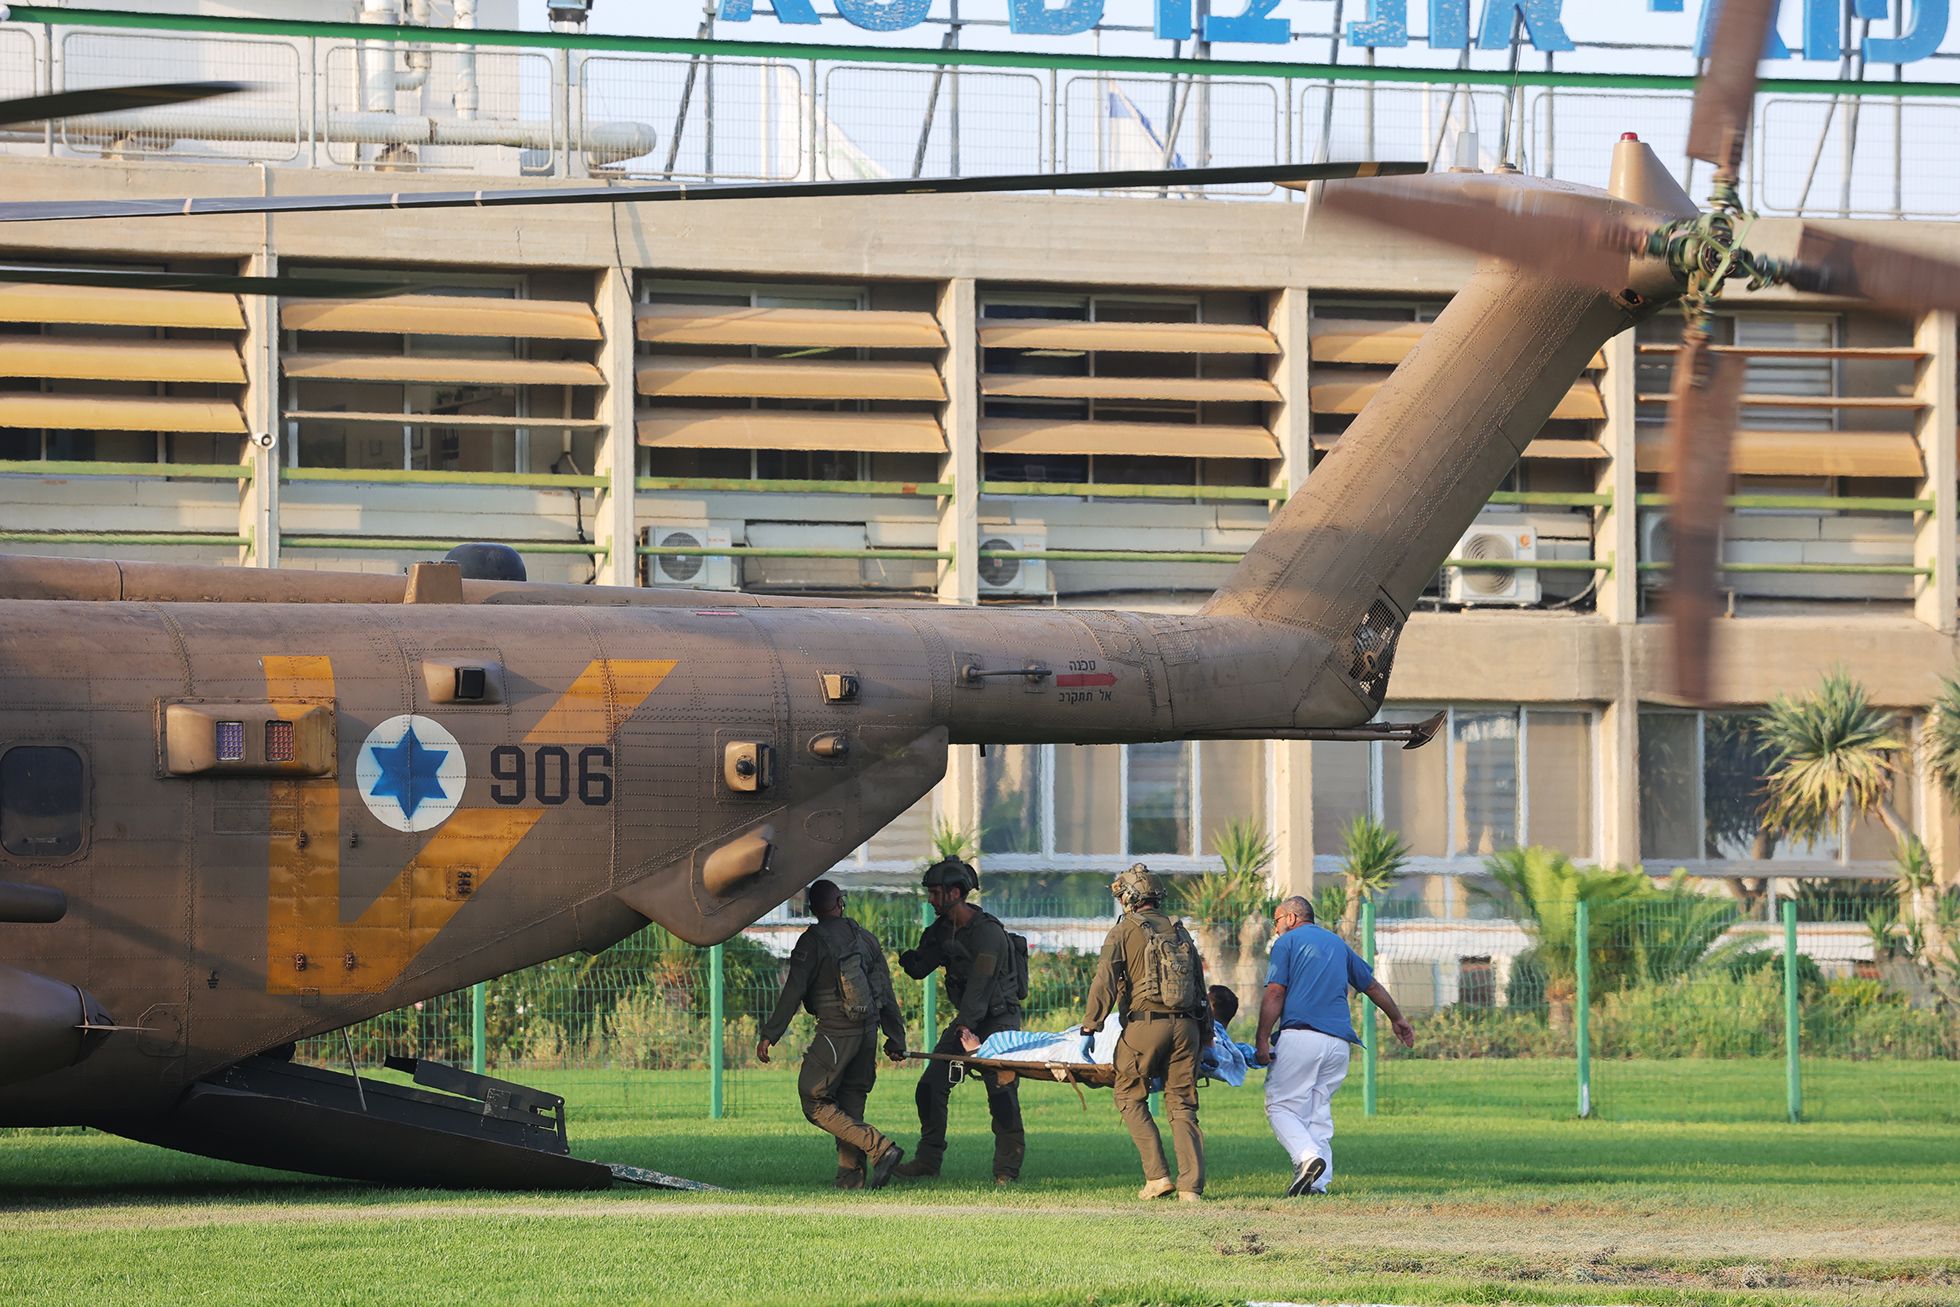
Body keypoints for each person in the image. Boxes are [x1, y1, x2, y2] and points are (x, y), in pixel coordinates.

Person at [1256, 894, 1415, 1198]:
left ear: (1291, 918)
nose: (1275, 928)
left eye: (1276, 920)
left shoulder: (1286, 943)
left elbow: (1275, 992)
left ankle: (1306, 1158)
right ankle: (1317, 1184)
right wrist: (1397, 1018)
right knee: (1317, 1110)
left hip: (1301, 1036)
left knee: (1279, 1106)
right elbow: (1371, 985)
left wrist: (1262, 1038)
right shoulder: (1337, 944)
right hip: (1339, 1044)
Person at [756, 879, 909, 1190]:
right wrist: (896, 1037)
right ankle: (850, 1180)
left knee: (813, 1099)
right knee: (850, 1103)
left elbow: (794, 990)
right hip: (868, 1032)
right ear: (840, 903)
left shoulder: (811, 943)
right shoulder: (866, 938)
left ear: (813, 908)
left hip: (836, 1033)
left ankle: (880, 1148)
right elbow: (885, 991)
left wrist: (771, 1033)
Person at [1081, 863, 1209, 1202]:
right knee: (1182, 1105)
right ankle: (1191, 1189)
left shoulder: (1123, 931)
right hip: (1188, 1027)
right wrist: (1206, 1034)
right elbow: (1199, 984)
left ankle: (1157, 1177)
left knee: (1128, 1095)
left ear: (1130, 898)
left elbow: (1105, 981)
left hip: (1145, 1026)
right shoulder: (1180, 931)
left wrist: (1091, 1024)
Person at [893, 856, 1026, 1183]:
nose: (930, 899)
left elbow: (981, 987)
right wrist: (907, 958)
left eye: (935, 893)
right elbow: (921, 966)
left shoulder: (988, 934)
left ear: (955, 893)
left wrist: (966, 1032)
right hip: (969, 1019)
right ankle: (928, 1161)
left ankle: (1006, 1171)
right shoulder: (942, 930)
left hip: (998, 1022)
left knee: (1002, 1094)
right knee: (930, 1087)